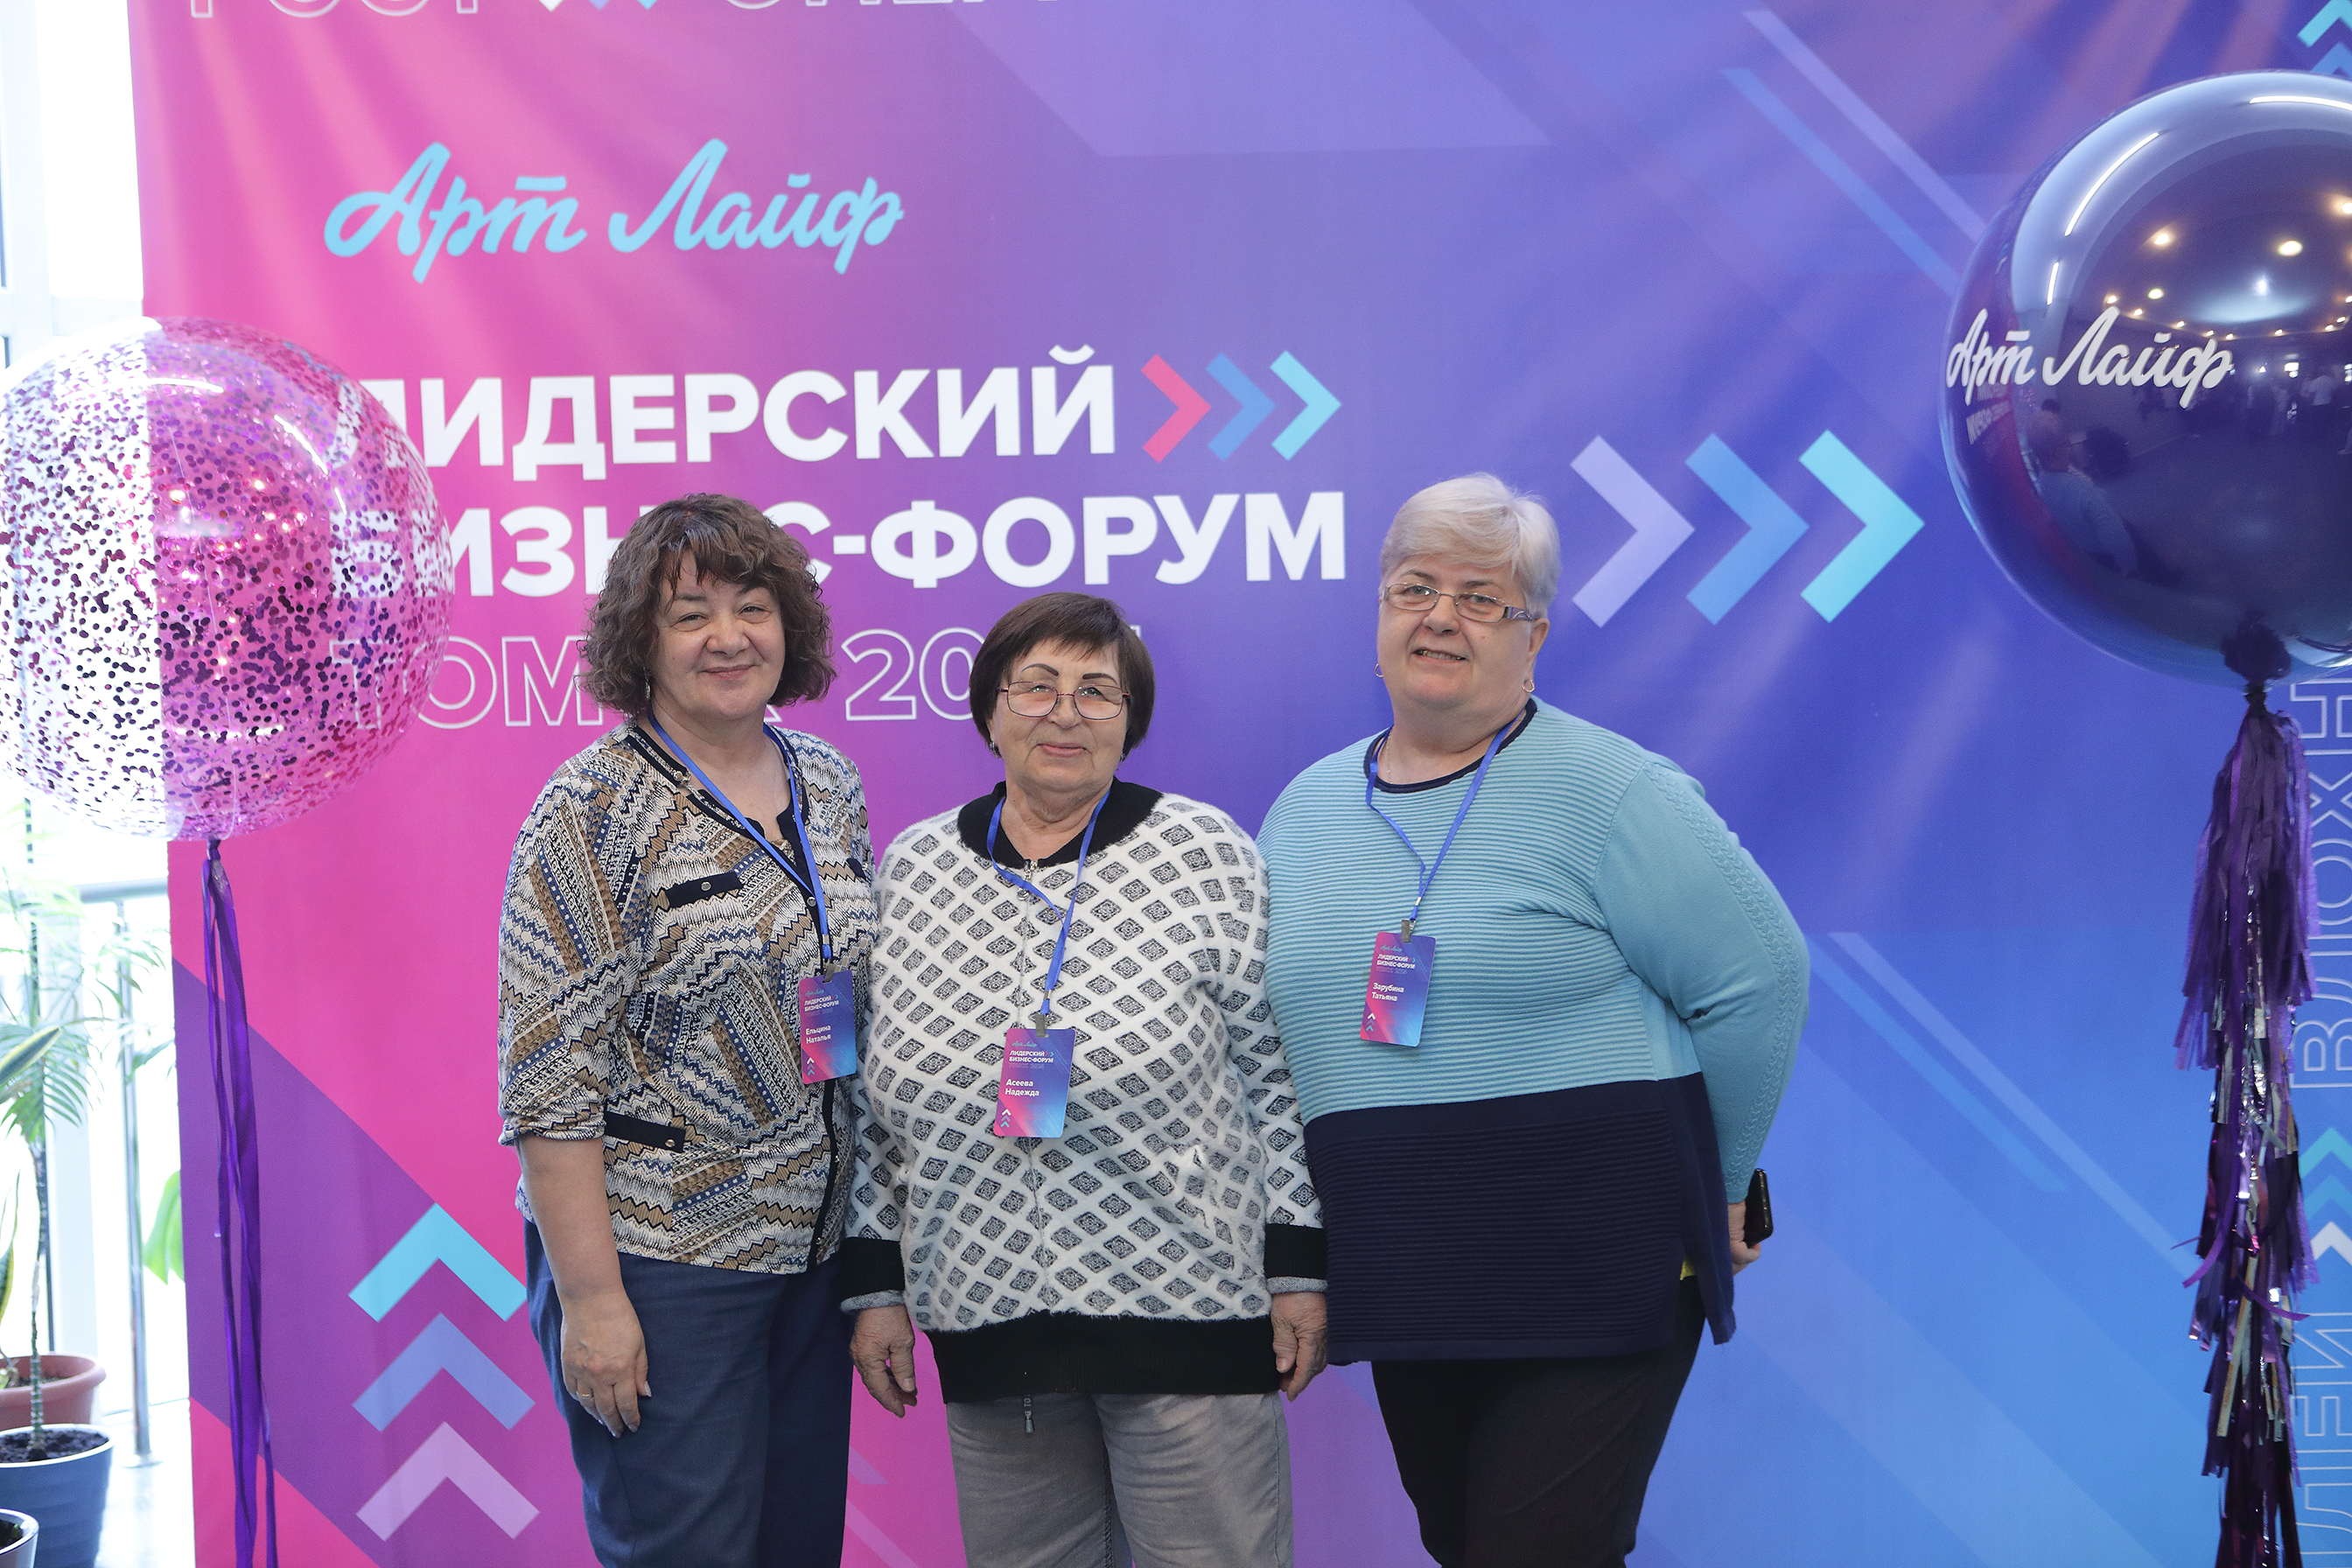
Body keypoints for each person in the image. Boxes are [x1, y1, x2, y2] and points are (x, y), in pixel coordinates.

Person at [1258, 475, 1806, 1568]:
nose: (1440, 618)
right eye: (1415, 588)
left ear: (1535, 638)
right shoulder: (1303, 809)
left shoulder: (1611, 788)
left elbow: (1761, 980)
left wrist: (1719, 1182)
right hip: (1407, 1265)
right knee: (1466, 1545)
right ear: (1379, 611)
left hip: (1598, 1259)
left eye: (1481, 598)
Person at [842, 591, 1326, 1568]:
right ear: (991, 710)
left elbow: (1274, 1078)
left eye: (1098, 691)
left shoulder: (1204, 852)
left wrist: (1298, 1268)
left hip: (1189, 1313)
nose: (1065, 712)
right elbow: (873, 1107)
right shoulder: (914, 866)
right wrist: (874, 1285)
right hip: (986, 1322)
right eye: (1037, 686)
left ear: (1129, 721)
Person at [496, 494, 879, 1568]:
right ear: (642, 641)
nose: (728, 637)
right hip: (665, 1266)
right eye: (690, 614)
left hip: (813, 1257)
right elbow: (548, 1080)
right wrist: (593, 1301)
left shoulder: (827, 783)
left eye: (753, 607)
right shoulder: (591, 808)